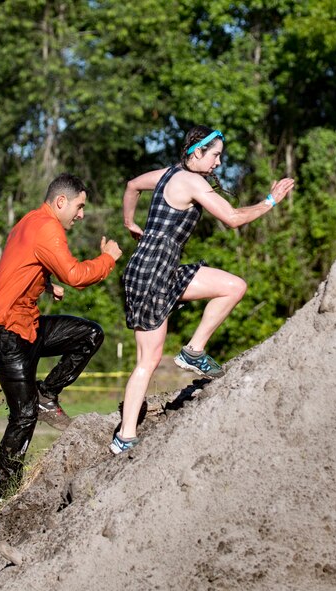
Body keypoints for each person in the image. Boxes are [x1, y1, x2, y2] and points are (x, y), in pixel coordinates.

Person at [110, 126, 295, 454]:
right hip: (150, 273)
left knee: (233, 286)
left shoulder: (168, 174)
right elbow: (234, 218)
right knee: (148, 359)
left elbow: (132, 185)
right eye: (214, 155)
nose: (218, 163)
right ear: (195, 152)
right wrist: (270, 200)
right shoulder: (191, 181)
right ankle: (124, 437)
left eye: (220, 156)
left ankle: (193, 351)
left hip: (164, 269)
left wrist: (129, 222)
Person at [0, 173, 123, 510]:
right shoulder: (47, 227)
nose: (81, 214)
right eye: (80, 206)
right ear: (61, 201)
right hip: (6, 334)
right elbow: (74, 275)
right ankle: (0, 499)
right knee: (23, 415)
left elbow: (16, 266)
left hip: (26, 326)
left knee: (89, 334)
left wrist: (44, 283)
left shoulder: (29, 222)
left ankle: (48, 394)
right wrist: (108, 260)